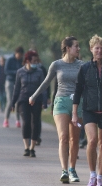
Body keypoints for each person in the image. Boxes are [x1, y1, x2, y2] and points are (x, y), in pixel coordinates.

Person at [29, 36, 84, 183]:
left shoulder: (82, 65)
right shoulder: (56, 65)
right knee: (63, 137)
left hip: (77, 104)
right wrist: (34, 96)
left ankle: (72, 169)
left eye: (79, 46)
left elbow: (88, 85)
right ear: (67, 48)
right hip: (60, 102)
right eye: (76, 46)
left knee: (74, 139)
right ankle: (64, 170)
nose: (78, 49)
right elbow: (46, 82)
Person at [72, 35, 102, 186]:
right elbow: (78, 91)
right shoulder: (85, 68)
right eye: (96, 48)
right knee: (92, 140)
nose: (99, 51)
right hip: (89, 110)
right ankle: (92, 174)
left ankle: (100, 176)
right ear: (91, 49)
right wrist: (74, 113)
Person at [11, 50, 46, 158]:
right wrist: (13, 102)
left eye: (37, 61)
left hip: (36, 99)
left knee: (35, 122)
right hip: (23, 99)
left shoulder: (40, 72)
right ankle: (26, 147)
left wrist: (44, 101)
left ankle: (32, 148)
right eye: (34, 61)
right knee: (26, 121)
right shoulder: (20, 72)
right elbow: (16, 88)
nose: (36, 63)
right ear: (28, 60)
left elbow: (43, 88)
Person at [3, 46, 24, 128]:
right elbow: (6, 71)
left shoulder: (22, 61)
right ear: (16, 53)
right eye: (19, 55)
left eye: (21, 55)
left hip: (19, 82)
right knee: (10, 101)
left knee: (18, 101)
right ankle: (6, 119)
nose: (20, 56)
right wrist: (16, 72)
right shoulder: (10, 60)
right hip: (10, 81)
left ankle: (17, 120)